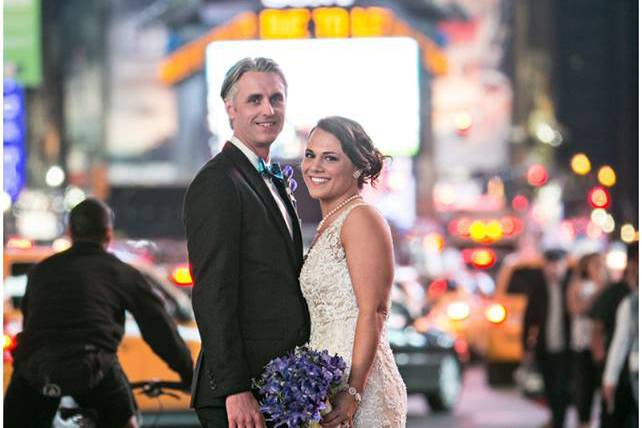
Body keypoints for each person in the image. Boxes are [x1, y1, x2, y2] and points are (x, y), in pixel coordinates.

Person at [183, 57, 310, 428]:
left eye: (276, 99)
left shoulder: (273, 180)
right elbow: (212, 291)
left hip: (280, 386)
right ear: (230, 108)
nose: (268, 110)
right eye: (255, 100)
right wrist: (234, 389)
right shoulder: (219, 182)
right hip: (241, 398)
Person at [3, 198, 194, 428]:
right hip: (93, 369)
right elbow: (159, 328)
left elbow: (30, 322)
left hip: (33, 370)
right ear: (108, 233)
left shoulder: (40, 271)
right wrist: (189, 374)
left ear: (70, 232)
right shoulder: (122, 272)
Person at [300, 116, 407, 428]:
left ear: (358, 167)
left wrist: (353, 391)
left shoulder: (361, 219)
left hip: (358, 389)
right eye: (310, 155)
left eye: (330, 158)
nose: (315, 167)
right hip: (325, 388)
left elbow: (374, 310)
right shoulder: (328, 224)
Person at [521, 248, 571, 428]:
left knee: (562, 387)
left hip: (567, 348)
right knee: (550, 386)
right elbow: (528, 321)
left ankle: (559, 421)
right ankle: (555, 417)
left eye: (558, 265)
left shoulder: (571, 286)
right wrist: (526, 348)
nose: (554, 269)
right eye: (550, 265)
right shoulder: (538, 289)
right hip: (545, 346)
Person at [589, 243, 637, 428]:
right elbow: (600, 331)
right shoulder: (620, 297)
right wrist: (606, 372)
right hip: (623, 373)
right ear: (633, 263)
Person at [567, 252, 608, 428]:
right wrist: (596, 295)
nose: (599, 268)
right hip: (582, 344)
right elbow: (575, 309)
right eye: (595, 264)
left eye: (601, 264)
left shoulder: (608, 286)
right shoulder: (578, 285)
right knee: (584, 389)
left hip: (602, 345)